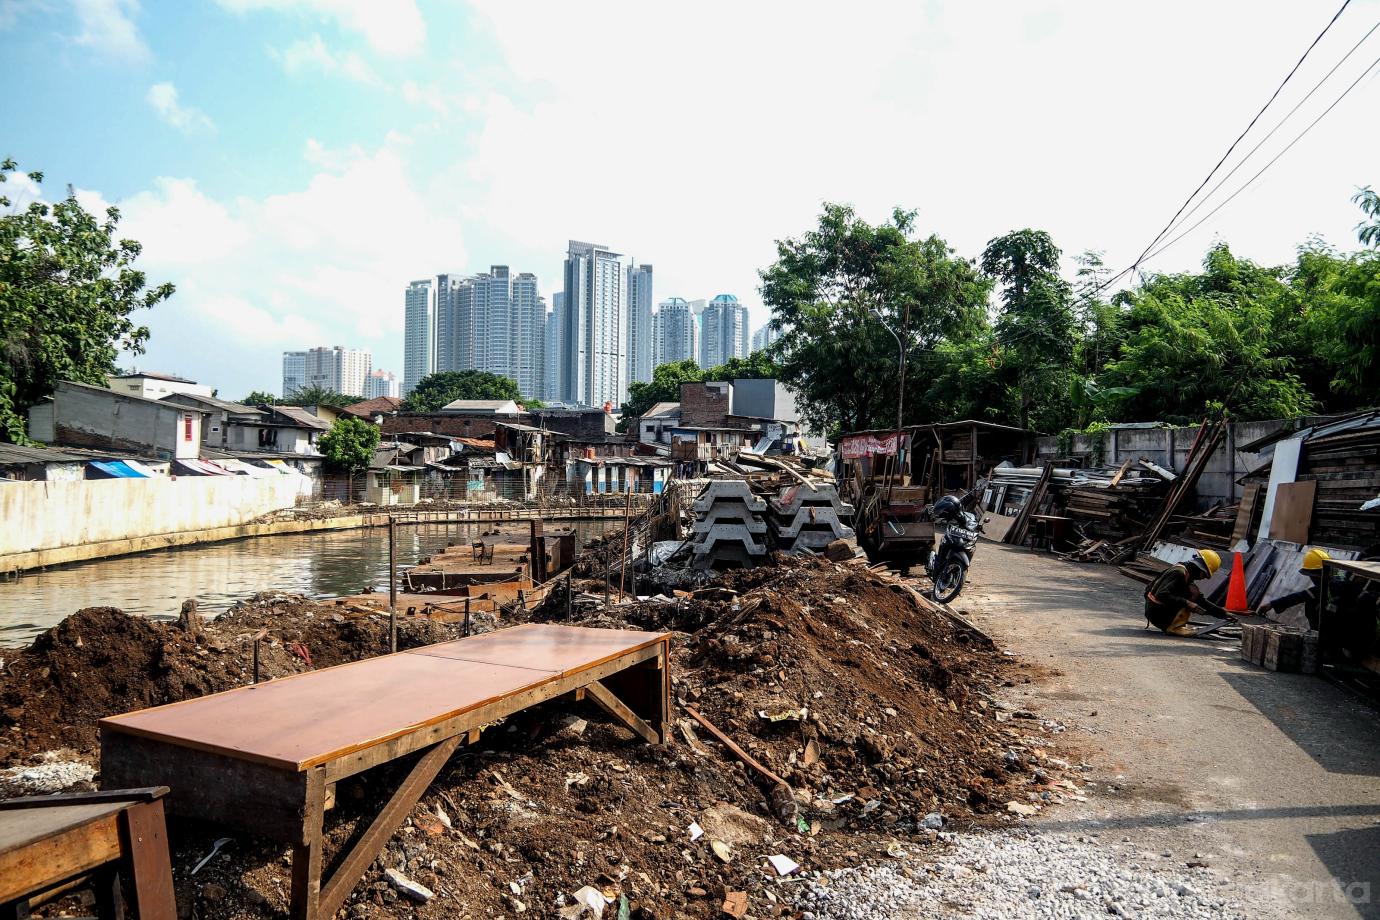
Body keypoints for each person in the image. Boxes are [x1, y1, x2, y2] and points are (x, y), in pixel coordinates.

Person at [1144, 549, 1221, 636]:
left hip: (1154, 609)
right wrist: (1187, 603)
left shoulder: (1185, 572)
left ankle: (1172, 623)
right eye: (1204, 574)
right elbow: (1161, 595)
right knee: (1188, 600)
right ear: (1200, 568)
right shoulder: (1179, 573)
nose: (1203, 578)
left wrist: (1222, 613)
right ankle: (1173, 627)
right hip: (1156, 613)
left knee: (1193, 593)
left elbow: (1200, 600)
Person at [1257, 548, 1330, 630]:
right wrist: (1273, 604)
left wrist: (1273, 604)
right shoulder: (1327, 586)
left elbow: (1301, 596)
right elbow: (1301, 596)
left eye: (1311, 575)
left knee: (1313, 605)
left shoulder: (1329, 589)